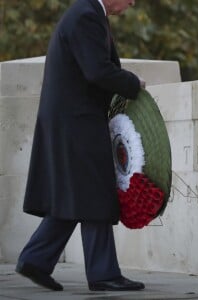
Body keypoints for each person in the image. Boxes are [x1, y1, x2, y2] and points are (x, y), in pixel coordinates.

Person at [15, 0, 145, 292]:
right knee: (95, 191)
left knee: (78, 193)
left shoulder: (86, 12)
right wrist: (133, 84)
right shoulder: (86, 15)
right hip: (76, 120)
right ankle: (103, 273)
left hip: (72, 119)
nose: (132, 3)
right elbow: (97, 71)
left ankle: (36, 259)